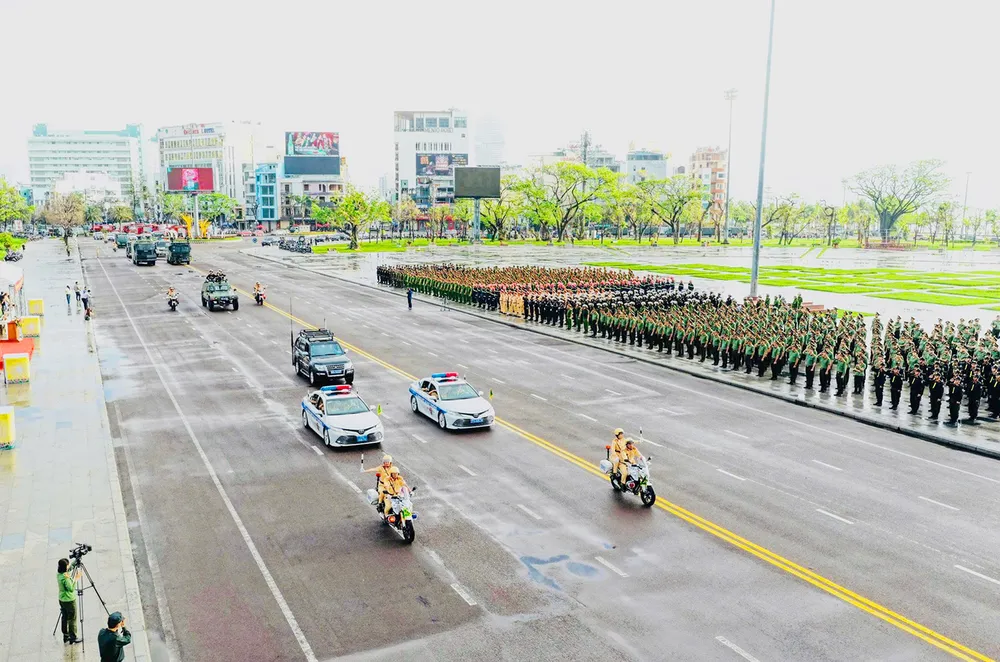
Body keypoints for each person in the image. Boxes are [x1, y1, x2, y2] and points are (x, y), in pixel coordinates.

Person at [57, 558, 82, 644]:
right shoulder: (65, 578)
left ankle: (66, 635)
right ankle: (73, 637)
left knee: (64, 617)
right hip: (69, 600)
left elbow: (69, 568)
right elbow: (71, 588)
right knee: (72, 618)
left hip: (62, 599)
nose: (68, 566)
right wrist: (76, 578)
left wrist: (75, 562)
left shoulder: (59, 574)